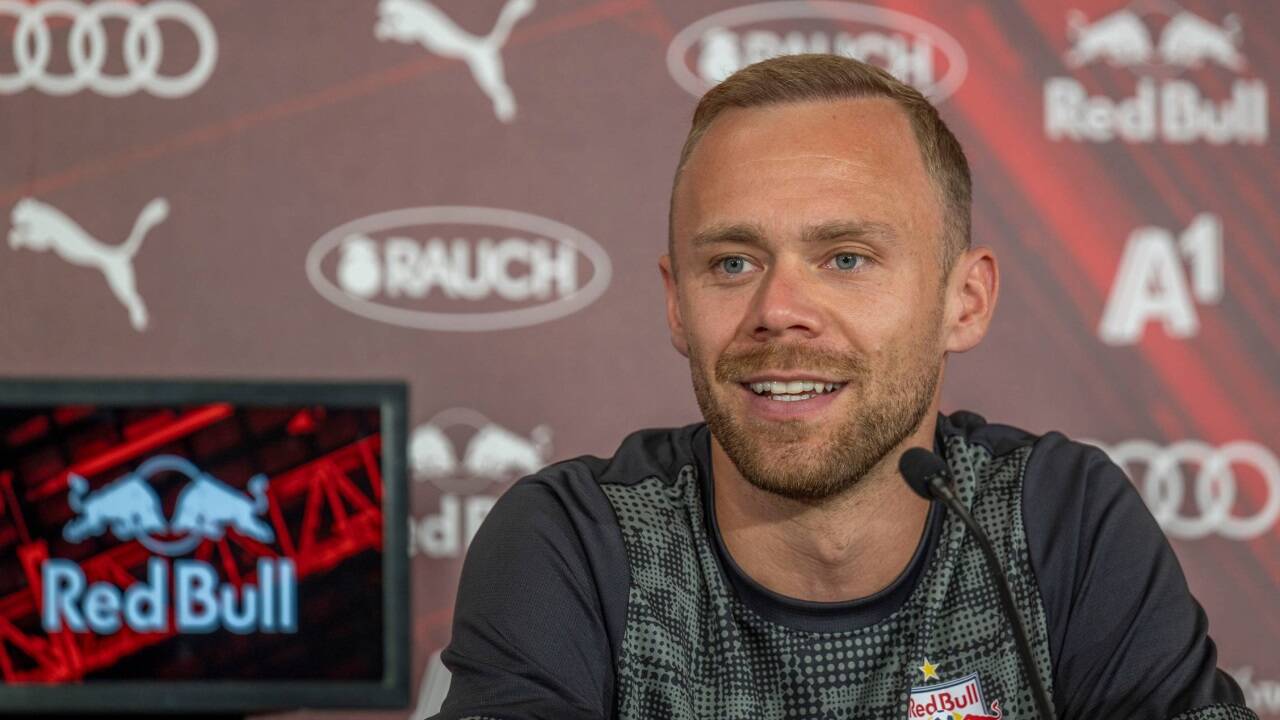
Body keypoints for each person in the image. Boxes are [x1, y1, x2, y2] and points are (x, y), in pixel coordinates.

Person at [428, 54, 1254, 719]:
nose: (779, 310)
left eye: (846, 259)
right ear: (678, 305)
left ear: (962, 303)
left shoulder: (1060, 523)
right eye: (733, 263)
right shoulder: (576, 544)